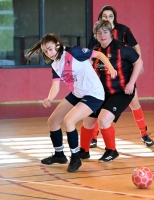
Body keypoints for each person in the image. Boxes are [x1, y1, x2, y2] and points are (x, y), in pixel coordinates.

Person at [26, 33, 117, 172]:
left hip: (93, 94)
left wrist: (110, 68)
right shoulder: (55, 64)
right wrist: (49, 98)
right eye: (45, 51)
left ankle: (76, 158)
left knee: (69, 121)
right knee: (53, 121)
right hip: (78, 93)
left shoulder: (73, 52)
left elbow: (99, 55)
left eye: (50, 49)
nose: (48, 53)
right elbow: (55, 86)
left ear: (57, 45)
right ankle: (59, 155)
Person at [87, 5, 154, 148]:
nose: (107, 19)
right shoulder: (97, 36)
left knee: (134, 103)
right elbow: (90, 57)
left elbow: (136, 46)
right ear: (100, 18)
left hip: (124, 76)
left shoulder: (123, 31)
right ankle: (93, 137)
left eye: (110, 16)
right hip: (104, 79)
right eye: (104, 16)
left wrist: (139, 62)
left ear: (114, 18)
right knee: (100, 108)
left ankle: (144, 134)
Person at [79, 20, 143, 162]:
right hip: (101, 93)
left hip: (121, 92)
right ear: (96, 35)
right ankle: (83, 151)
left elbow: (138, 62)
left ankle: (111, 151)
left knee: (103, 119)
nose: (102, 35)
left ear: (111, 33)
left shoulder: (122, 48)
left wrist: (131, 83)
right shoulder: (96, 51)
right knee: (88, 119)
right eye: (99, 33)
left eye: (105, 32)